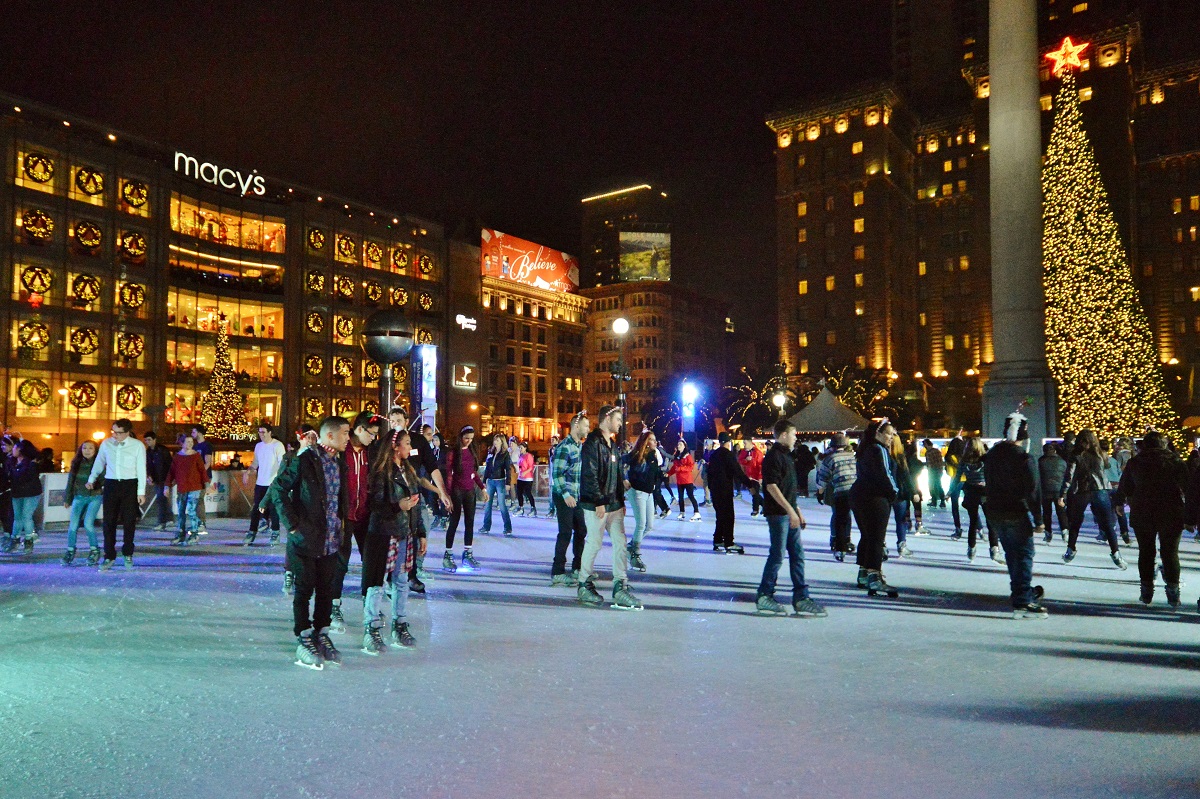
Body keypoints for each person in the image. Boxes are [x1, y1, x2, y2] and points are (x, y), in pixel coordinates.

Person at [271, 415, 351, 670]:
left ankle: (321, 633)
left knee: (327, 588)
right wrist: (293, 525)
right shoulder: (305, 460)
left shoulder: (340, 463)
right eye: (345, 433)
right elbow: (278, 489)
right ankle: (303, 636)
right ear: (330, 436)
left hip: (331, 538)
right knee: (304, 589)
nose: (349, 438)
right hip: (306, 537)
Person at [755, 419, 827, 617]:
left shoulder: (787, 457)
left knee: (797, 555)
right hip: (778, 515)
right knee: (777, 555)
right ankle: (764, 595)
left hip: (788, 513)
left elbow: (787, 489)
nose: (796, 438)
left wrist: (797, 511)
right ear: (784, 435)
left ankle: (801, 597)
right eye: (794, 434)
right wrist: (789, 511)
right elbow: (771, 486)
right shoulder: (774, 457)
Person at [361, 428, 423, 654]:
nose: (409, 447)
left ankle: (399, 625)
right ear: (395, 447)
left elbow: (417, 502)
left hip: (405, 532)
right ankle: (372, 628)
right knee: (377, 582)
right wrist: (398, 506)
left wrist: (421, 532)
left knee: (401, 580)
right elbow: (374, 506)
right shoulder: (382, 473)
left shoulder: (408, 470)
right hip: (384, 533)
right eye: (406, 443)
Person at [982, 411, 1048, 619]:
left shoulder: (992, 455)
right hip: (1015, 510)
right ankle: (1023, 600)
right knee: (1023, 554)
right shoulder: (1025, 458)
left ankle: (1022, 592)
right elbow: (1033, 491)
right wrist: (1039, 520)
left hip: (994, 510)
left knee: (1012, 554)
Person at [577, 404, 641, 610]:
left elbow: (616, 476)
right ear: (606, 418)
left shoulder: (612, 446)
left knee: (621, 543)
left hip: (613, 505)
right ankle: (584, 583)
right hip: (597, 505)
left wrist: (620, 501)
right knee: (594, 543)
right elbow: (590, 475)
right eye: (618, 420)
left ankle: (620, 586)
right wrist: (599, 501)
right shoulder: (592, 444)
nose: (621, 424)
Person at [1119, 431, 1187, 608]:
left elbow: (1125, 486)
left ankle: (1146, 590)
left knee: (1146, 551)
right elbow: (1188, 486)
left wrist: (1119, 502)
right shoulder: (1175, 461)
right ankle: (1173, 591)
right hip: (1171, 510)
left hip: (1143, 510)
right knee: (1170, 552)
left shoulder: (1136, 462)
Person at [389, 407, 452, 587]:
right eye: (392, 422)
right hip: (393, 497)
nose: (395, 425)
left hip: (415, 496)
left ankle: (413, 572)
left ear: (407, 421)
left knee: (420, 531)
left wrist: (442, 492)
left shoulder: (418, 441)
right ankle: (391, 577)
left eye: (398, 421)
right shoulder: (386, 443)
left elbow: (431, 469)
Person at [331, 412, 381, 633]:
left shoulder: (373, 452)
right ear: (359, 430)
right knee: (340, 561)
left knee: (370, 560)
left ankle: (369, 605)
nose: (373, 438)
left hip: (366, 515)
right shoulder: (341, 451)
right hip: (343, 515)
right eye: (371, 434)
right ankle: (334, 605)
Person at [1059, 429, 1127, 569]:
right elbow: (1106, 469)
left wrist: (1063, 493)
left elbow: (1069, 476)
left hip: (1083, 490)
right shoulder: (1101, 454)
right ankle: (1116, 554)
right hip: (1100, 489)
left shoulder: (1076, 455)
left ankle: (1070, 550)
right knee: (1108, 524)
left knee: (1076, 522)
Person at [849, 420, 900, 598]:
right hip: (875, 498)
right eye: (889, 434)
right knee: (877, 538)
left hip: (858, 495)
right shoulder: (879, 449)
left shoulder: (865, 449)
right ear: (878, 434)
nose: (891, 438)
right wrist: (894, 492)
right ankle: (874, 576)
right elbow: (886, 474)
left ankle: (864, 573)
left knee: (868, 535)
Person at [88, 419, 146, 570]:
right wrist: (92, 478)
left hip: (130, 484)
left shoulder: (137, 446)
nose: (116, 435)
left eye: (119, 433)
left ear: (127, 432)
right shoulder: (106, 444)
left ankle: (127, 553)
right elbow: (99, 462)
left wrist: (141, 491)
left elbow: (141, 469)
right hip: (111, 484)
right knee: (109, 522)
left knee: (129, 521)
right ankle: (109, 555)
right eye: (114, 432)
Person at [267, 425, 317, 596]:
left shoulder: (317, 457)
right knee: (293, 541)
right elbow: (278, 482)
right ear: (300, 438)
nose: (310, 440)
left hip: (310, 507)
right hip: (294, 505)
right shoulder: (290, 457)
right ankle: (289, 573)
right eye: (307, 437)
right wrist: (265, 500)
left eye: (313, 437)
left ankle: (305, 575)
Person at [550, 411, 589, 587]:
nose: (588, 429)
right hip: (564, 496)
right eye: (586, 426)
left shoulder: (580, 446)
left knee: (581, 530)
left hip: (577, 497)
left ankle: (577, 567)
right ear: (576, 426)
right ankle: (558, 571)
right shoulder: (564, 447)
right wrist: (566, 495)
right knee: (565, 532)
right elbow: (557, 474)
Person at [442, 426, 486, 572]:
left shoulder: (472, 451)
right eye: (466, 438)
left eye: (471, 438)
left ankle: (468, 554)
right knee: (453, 522)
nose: (468, 441)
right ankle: (448, 555)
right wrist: (447, 494)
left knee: (470, 522)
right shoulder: (453, 452)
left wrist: (482, 487)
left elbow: (473, 471)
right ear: (461, 436)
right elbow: (448, 474)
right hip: (456, 491)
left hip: (469, 491)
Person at [950, 437, 998, 563]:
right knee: (991, 521)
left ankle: (971, 549)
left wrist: (950, 491)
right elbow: (993, 474)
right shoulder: (986, 459)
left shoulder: (964, 461)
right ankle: (994, 549)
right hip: (985, 492)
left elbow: (957, 477)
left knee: (973, 522)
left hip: (971, 491)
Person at [707, 433, 757, 553]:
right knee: (728, 516)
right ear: (728, 442)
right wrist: (749, 485)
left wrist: (710, 487)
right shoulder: (728, 455)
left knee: (720, 515)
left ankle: (718, 539)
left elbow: (709, 473)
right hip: (724, 490)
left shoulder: (713, 455)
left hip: (715, 490)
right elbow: (737, 472)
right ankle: (728, 542)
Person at [623, 429, 663, 573]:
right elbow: (621, 462)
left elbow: (656, 472)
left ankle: (630, 547)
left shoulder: (654, 455)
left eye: (655, 439)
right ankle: (635, 554)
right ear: (646, 442)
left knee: (649, 525)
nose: (655, 442)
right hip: (637, 491)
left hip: (648, 492)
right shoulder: (636, 455)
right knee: (641, 524)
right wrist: (624, 479)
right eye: (651, 439)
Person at [815, 433, 857, 561]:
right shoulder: (852, 457)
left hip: (840, 492)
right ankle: (849, 540)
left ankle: (840, 549)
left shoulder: (830, 459)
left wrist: (820, 493)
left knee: (840, 520)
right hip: (855, 491)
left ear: (832, 446)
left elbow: (823, 478)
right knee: (850, 517)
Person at [62, 441, 103, 566]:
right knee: (73, 526)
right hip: (79, 497)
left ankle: (94, 550)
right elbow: (71, 482)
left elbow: (103, 480)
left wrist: (94, 485)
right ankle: (70, 550)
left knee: (88, 524)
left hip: (94, 497)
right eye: (84, 448)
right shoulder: (76, 463)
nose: (87, 450)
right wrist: (67, 499)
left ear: (96, 451)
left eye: (91, 448)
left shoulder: (100, 464)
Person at [244, 424, 286, 545]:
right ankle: (252, 531)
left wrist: (278, 479)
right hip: (260, 482)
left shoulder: (277, 445)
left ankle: (275, 532)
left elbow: (282, 463)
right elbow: (256, 462)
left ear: (269, 432)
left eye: (263, 432)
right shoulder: (258, 446)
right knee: (257, 508)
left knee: (273, 508)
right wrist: (248, 471)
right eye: (259, 432)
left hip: (272, 483)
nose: (261, 435)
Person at [167, 433, 208, 544]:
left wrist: (206, 484)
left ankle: (194, 533)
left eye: (191, 441)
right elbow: (172, 472)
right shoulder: (177, 457)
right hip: (182, 487)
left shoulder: (196, 456)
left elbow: (202, 471)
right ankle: (181, 533)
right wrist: (167, 485)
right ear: (182, 443)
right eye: (188, 442)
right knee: (181, 511)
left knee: (191, 510)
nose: (190, 444)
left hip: (195, 487)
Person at [4, 440, 42, 555]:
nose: (13, 450)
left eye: (15, 448)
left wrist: (15, 474)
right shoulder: (11, 461)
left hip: (31, 493)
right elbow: (8, 476)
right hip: (17, 493)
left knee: (26, 516)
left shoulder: (31, 463)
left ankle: (28, 540)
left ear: (20, 449)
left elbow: (28, 478)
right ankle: (14, 540)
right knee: (17, 517)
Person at [888, 434, 918, 559]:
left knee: (882, 522)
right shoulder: (900, 458)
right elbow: (906, 476)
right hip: (900, 494)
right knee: (900, 521)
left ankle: (882, 545)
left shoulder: (884, 456)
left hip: (885, 493)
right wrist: (914, 492)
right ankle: (901, 545)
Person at [479, 433, 515, 536]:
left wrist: (508, 483)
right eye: (495, 440)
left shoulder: (505, 454)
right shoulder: (491, 452)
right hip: (490, 481)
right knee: (487, 504)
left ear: (502, 442)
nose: (496, 442)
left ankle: (508, 527)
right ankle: (486, 526)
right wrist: (484, 481)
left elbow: (508, 469)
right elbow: (488, 468)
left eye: (498, 441)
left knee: (502, 504)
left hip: (500, 481)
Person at [1037, 442, 1069, 543]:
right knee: (1061, 512)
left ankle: (1048, 533)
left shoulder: (1040, 461)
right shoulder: (1062, 461)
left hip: (1045, 490)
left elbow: (1037, 477)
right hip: (1058, 490)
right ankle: (1065, 532)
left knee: (1047, 513)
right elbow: (1066, 476)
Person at [1101, 439, 1131, 546]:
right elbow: (1119, 472)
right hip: (1117, 485)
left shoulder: (1103, 459)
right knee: (1119, 508)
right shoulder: (1115, 460)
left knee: (1108, 510)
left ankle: (1107, 532)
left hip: (1106, 486)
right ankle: (1124, 531)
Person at [143, 431, 173, 532]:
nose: (147, 442)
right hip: (157, 479)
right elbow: (149, 465)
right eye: (146, 440)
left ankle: (162, 522)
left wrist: (170, 479)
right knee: (163, 499)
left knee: (161, 499)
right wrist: (149, 476)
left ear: (154, 440)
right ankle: (168, 518)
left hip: (164, 478)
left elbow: (169, 464)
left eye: (149, 440)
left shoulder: (162, 450)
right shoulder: (148, 451)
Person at [668, 439, 701, 521]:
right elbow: (674, 467)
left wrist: (680, 468)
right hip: (679, 480)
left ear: (684, 446)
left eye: (680, 445)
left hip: (687, 480)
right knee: (680, 497)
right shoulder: (677, 456)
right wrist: (668, 473)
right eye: (678, 444)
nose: (678, 446)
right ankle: (682, 512)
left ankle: (697, 512)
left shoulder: (688, 456)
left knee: (690, 495)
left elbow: (690, 467)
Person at [190, 425, 214, 534]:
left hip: (204, 476)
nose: (192, 434)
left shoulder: (206, 445)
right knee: (195, 499)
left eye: (194, 431)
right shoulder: (194, 447)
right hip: (195, 476)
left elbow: (208, 462)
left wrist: (200, 473)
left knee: (199, 499)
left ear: (199, 432)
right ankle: (197, 522)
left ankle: (202, 523)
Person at [945, 434, 965, 536]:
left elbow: (950, 473)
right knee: (972, 506)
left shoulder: (950, 457)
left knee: (955, 506)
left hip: (955, 482)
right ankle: (979, 528)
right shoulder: (965, 457)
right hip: (967, 481)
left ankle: (958, 528)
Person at [741, 441, 765, 517]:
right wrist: (746, 460)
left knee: (755, 493)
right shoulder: (745, 451)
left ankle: (755, 509)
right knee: (754, 493)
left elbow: (760, 465)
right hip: (749, 476)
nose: (744, 445)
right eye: (744, 443)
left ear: (751, 443)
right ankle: (766, 506)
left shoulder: (758, 452)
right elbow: (741, 460)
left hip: (755, 476)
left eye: (745, 443)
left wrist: (760, 477)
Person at [515, 441, 537, 517]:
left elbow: (531, 466)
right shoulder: (520, 456)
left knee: (528, 493)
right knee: (519, 493)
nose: (520, 449)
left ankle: (533, 508)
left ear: (525, 448)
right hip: (520, 477)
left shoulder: (529, 456)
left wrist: (525, 472)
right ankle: (521, 507)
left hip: (527, 478)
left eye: (521, 448)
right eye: (519, 448)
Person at [922, 439, 946, 508]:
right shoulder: (937, 451)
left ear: (927, 444)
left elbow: (929, 464)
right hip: (939, 471)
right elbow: (940, 461)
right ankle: (942, 501)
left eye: (924, 445)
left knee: (932, 486)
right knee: (938, 486)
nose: (924, 446)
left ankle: (934, 501)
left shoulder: (928, 453)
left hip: (932, 471)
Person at [546, 434, 561, 519]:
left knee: (556, 495)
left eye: (553, 440)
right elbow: (550, 465)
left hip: (557, 479)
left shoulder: (559, 457)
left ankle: (556, 510)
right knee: (551, 495)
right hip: (552, 478)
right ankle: (551, 509)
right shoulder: (550, 454)